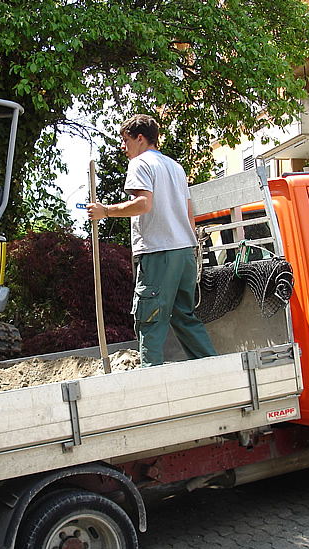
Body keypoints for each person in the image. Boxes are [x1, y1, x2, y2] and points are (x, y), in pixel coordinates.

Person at [86, 114, 217, 367]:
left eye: (125, 140)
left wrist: (106, 211)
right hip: (184, 253)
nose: (123, 147)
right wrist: (191, 247)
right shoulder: (175, 167)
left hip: (159, 253)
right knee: (185, 317)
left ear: (140, 138)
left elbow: (144, 204)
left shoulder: (140, 164)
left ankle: (151, 383)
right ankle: (215, 372)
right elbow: (189, 213)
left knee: (150, 321)